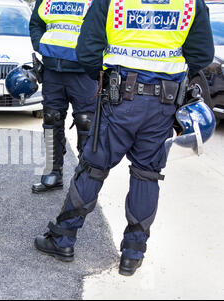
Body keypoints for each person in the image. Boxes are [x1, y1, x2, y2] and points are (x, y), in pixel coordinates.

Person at [34, 0, 214, 275]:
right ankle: (132, 254)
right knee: (147, 173)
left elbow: (87, 51)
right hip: (163, 104)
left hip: (119, 99)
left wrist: (107, 79)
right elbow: (201, 55)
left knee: (93, 168)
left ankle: (63, 239)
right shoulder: (189, 3)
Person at [29, 0, 98, 193]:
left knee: (87, 122)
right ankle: (53, 172)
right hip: (52, 69)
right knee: (51, 119)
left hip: (83, 71)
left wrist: (93, 55)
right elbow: (36, 23)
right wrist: (40, 44)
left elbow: (104, 26)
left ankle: (84, 178)